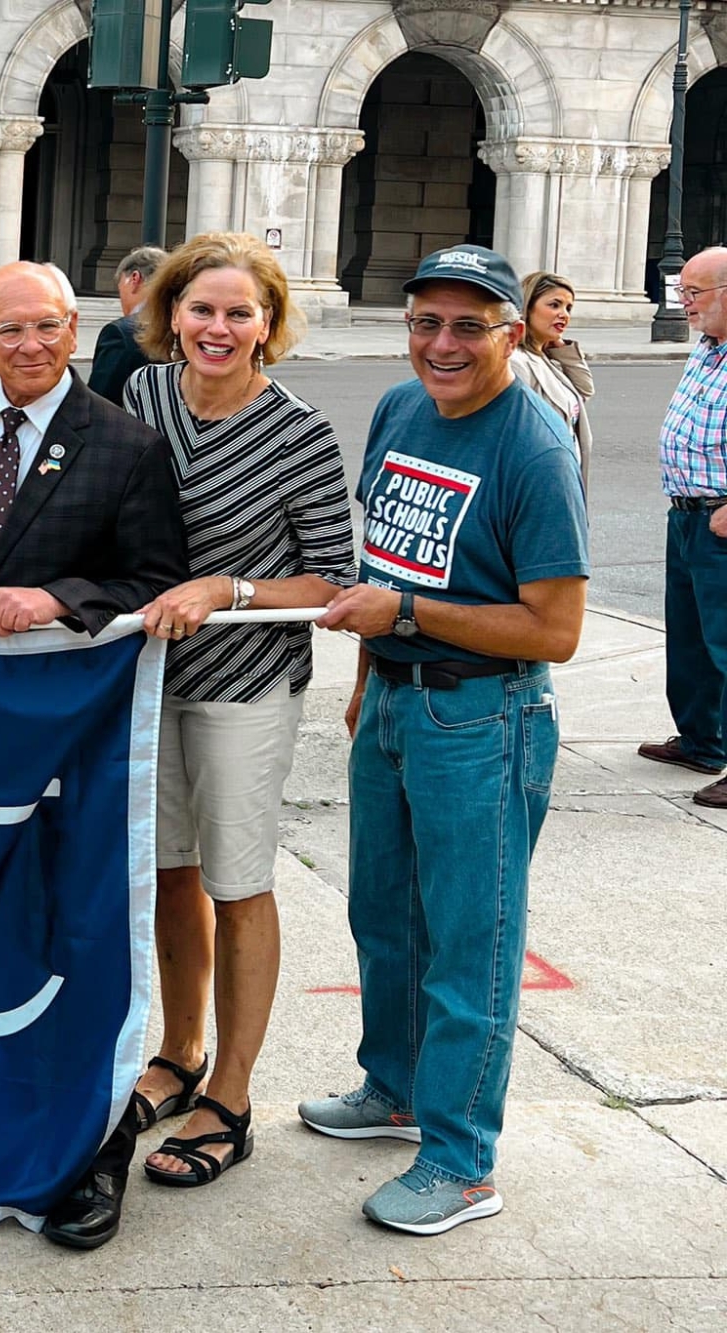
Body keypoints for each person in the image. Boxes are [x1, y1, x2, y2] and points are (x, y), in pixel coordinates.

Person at [310, 245, 588, 1236]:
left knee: (470, 941)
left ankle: (461, 1160)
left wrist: (406, 616)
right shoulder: (400, 410)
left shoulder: (533, 449)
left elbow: (554, 630)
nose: (442, 344)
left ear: (511, 333)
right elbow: (383, 562)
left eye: (468, 326)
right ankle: (392, 1088)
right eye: (425, 322)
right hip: (394, 700)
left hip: (483, 716)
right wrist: (366, 680)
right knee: (383, 916)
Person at [0, 259, 184, 1250]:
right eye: (9, 329)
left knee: (64, 932)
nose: (30, 345)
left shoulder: (125, 444)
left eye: (48, 326)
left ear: (75, 330)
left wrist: (61, 599)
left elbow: (154, 578)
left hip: (64, 737)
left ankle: (83, 1142)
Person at [120, 233, 356, 1192]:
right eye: (201, 309)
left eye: (239, 312)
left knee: (238, 881)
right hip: (149, 676)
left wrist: (230, 588)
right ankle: (178, 1053)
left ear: (268, 325)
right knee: (170, 872)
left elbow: (333, 579)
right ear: (171, 314)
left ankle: (233, 1091)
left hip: (247, 684)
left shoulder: (298, 432)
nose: (217, 328)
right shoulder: (141, 395)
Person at [639, 245, 727, 807]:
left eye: (693, 292)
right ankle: (702, 741)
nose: (683, 302)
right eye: (682, 291)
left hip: (721, 518)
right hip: (688, 513)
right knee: (692, 640)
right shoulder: (709, 347)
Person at [508, 270, 592, 483]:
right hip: (541, 480)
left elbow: (585, 390)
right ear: (527, 308)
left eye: (568, 308)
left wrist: (562, 349)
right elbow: (515, 433)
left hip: (565, 474)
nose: (564, 314)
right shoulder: (517, 362)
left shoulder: (544, 358)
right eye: (554, 305)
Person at [88, 245, 167, 403]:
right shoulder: (183, 324)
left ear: (134, 279)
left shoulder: (120, 334)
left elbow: (98, 400)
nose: (121, 299)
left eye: (120, 289)